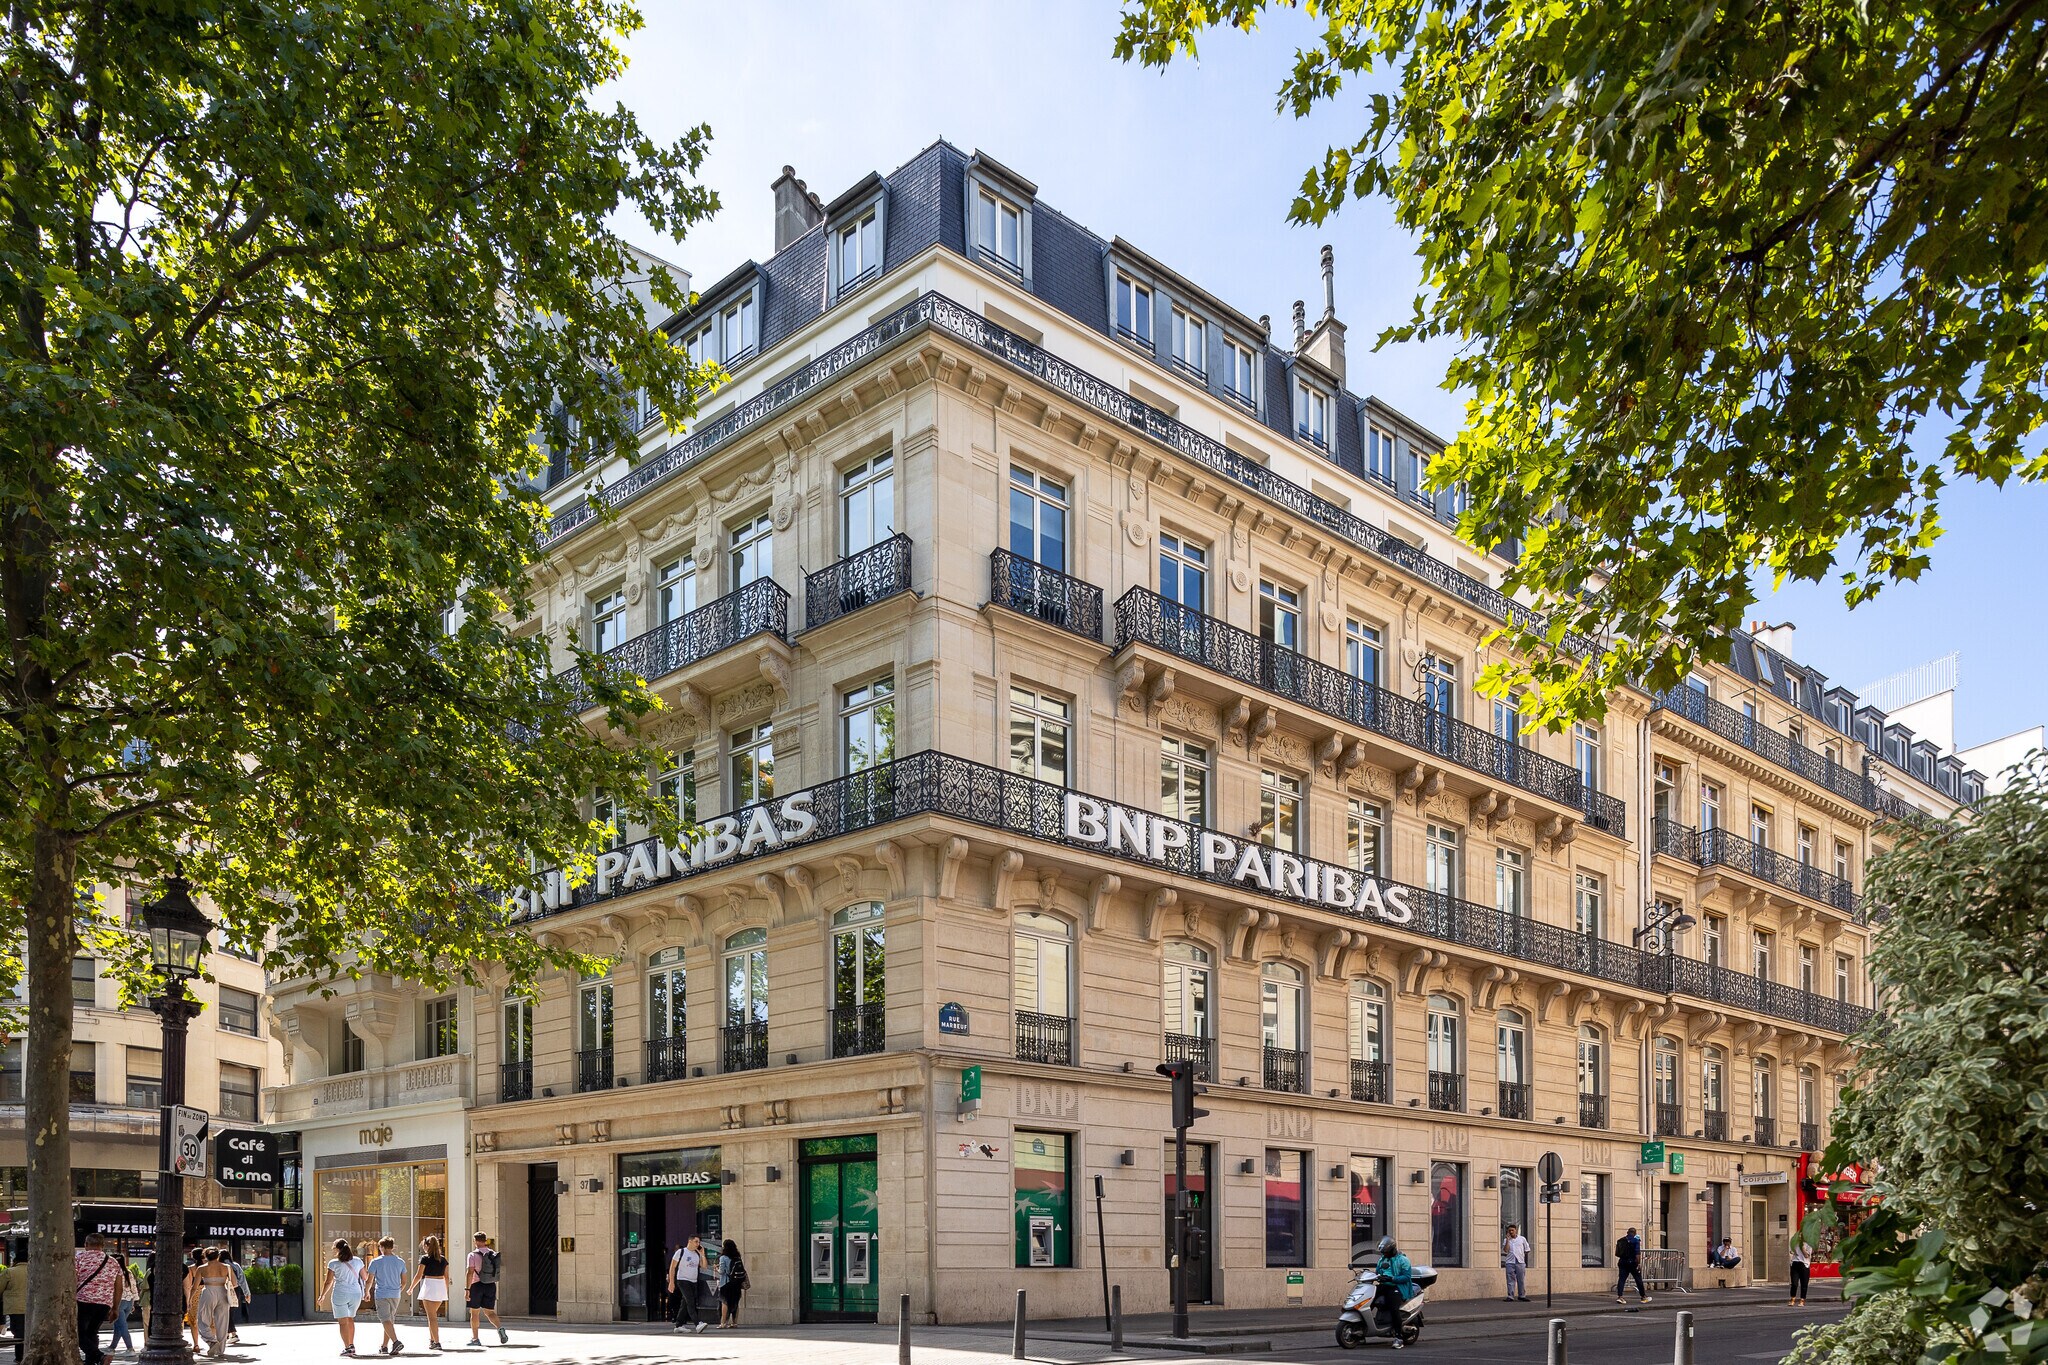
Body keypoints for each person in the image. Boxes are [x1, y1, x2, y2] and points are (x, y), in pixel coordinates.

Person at [75, 1233, 122, 1365]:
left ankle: (99, 1357)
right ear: (103, 1245)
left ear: (86, 1245)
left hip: (83, 1301)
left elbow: (72, 1280)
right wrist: (115, 1308)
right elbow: (119, 1287)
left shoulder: (79, 1258)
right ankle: (91, 1362)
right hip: (104, 1304)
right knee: (92, 1332)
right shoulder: (113, 1262)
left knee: (78, 1334)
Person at [320, 1237, 366, 1357]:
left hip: (340, 1294)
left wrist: (322, 1295)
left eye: (334, 1248)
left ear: (337, 1249)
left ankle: (348, 1348)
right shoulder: (358, 1261)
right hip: (355, 1293)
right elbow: (365, 1277)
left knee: (342, 1322)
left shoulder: (333, 1263)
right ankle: (352, 1345)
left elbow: (328, 1282)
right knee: (350, 1319)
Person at [191, 1247, 237, 1359]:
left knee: (202, 1319)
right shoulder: (226, 1267)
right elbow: (235, 1283)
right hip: (222, 1292)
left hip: (208, 1292)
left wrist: (190, 1299)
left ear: (205, 1256)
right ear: (218, 1256)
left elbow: (194, 1287)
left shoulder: (201, 1268)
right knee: (222, 1322)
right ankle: (220, 1350)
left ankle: (211, 1341)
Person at [366, 1237, 409, 1355]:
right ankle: (384, 1346)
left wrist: (366, 1292)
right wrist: (398, 1290)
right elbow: (404, 1281)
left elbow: (369, 1280)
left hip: (382, 1294)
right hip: (395, 1294)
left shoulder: (375, 1262)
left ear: (383, 1247)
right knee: (389, 1320)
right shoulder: (400, 1261)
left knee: (385, 1319)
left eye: (380, 1247)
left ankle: (395, 1342)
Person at [1371, 1235, 1415, 1350]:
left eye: (1385, 1252)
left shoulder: (1403, 1260)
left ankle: (1398, 1338)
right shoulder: (1382, 1259)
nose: (1384, 1254)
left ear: (1392, 1250)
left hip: (1396, 1287)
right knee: (1368, 1301)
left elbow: (1407, 1277)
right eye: (1382, 1252)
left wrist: (1392, 1279)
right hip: (1383, 1285)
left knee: (1394, 1309)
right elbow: (1377, 1272)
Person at [407, 1236, 450, 1351]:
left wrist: (411, 1288)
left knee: (431, 1317)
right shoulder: (443, 1259)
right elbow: (446, 1277)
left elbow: (418, 1275)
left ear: (427, 1246)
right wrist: (445, 1290)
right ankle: (432, 1340)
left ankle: (437, 1342)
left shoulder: (425, 1259)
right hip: (440, 1286)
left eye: (424, 1246)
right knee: (432, 1315)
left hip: (429, 1285)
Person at [465, 1233, 505, 1346]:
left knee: (474, 1313)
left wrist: (467, 1289)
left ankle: (475, 1339)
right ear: (485, 1240)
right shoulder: (492, 1254)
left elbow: (470, 1272)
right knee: (490, 1312)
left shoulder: (472, 1255)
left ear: (475, 1241)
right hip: (490, 1285)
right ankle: (500, 1329)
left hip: (476, 1285)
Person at [668, 1235, 707, 1334]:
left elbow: (704, 1266)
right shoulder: (681, 1252)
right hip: (683, 1280)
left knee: (685, 1303)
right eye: (696, 1241)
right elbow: (672, 1267)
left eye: (699, 1242)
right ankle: (697, 1323)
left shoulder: (697, 1254)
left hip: (693, 1281)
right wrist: (671, 1282)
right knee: (690, 1301)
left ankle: (678, 1325)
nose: (698, 1244)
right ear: (690, 1241)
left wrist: (702, 1254)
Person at [107, 1257, 139, 1355]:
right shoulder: (129, 1272)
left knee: (122, 1326)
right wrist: (133, 1301)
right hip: (129, 1301)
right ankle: (112, 1347)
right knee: (119, 1325)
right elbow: (133, 1287)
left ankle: (130, 1348)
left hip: (119, 1302)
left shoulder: (114, 1272)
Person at [2, 1254, 30, 1364]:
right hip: (33, 1307)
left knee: (18, 1334)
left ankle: (19, 1357)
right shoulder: (36, 1271)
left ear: (15, 1261)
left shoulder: (9, 1272)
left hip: (15, 1307)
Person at [715, 1239, 747, 1329]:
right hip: (736, 1283)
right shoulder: (737, 1257)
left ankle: (723, 1322)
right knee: (735, 1302)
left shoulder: (723, 1258)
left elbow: (722, 1271)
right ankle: (734, 1322)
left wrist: (716, 1269)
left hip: (726, 1282)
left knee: (725, 1302)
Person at [1614, 1226, 1650, 1304]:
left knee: (1621, 1279)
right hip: (1632, 1262)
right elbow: (1637, 1253)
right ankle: (1643, 1296)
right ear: (1635, 1233)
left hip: (1622, 1262)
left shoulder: (1621, 1240)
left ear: (1627, 1232)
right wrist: (1638, 1263)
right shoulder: (1635, 1241)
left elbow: (1618, 1252)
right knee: (1638, 1279)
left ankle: (1620, 1297)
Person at [1501, 1223, 1531, 1302]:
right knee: (1510, 1279)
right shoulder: (1506, 1240)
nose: (1511, 1232)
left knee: (1521, 1279)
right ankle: (1510, 1296)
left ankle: (1522, 1295)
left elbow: (1527, 1250)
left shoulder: (1522, 1239)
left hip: (1520, 1262)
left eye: (1512, 1230)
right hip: (1510, 1262)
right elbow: (1506, 1250)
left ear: (1516, 1230)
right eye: (1509, 1231)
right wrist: (1507, 1240)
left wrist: (1521, 1255)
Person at [229, 1255, 251, 1344]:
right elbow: (242, 1280)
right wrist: (247, 1293)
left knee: (226, 1313)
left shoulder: (221, 1265)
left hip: (223, 1290)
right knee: (230, 1312)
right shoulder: (235, 1265)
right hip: (235, 1290)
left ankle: (233, 1334)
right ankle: (229, 1334)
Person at [1789, 1241, 1813, 1306]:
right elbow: (1791, 1251)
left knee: (1804, 1284)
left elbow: (1806, 1255)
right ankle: (1792, 1298)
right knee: (1794, 1283)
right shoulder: (1795, 1242)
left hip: (1804, 1265)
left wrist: (1802, 1247)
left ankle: (1802, 1299)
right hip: (1795, 1263)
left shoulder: (1809, 1244)